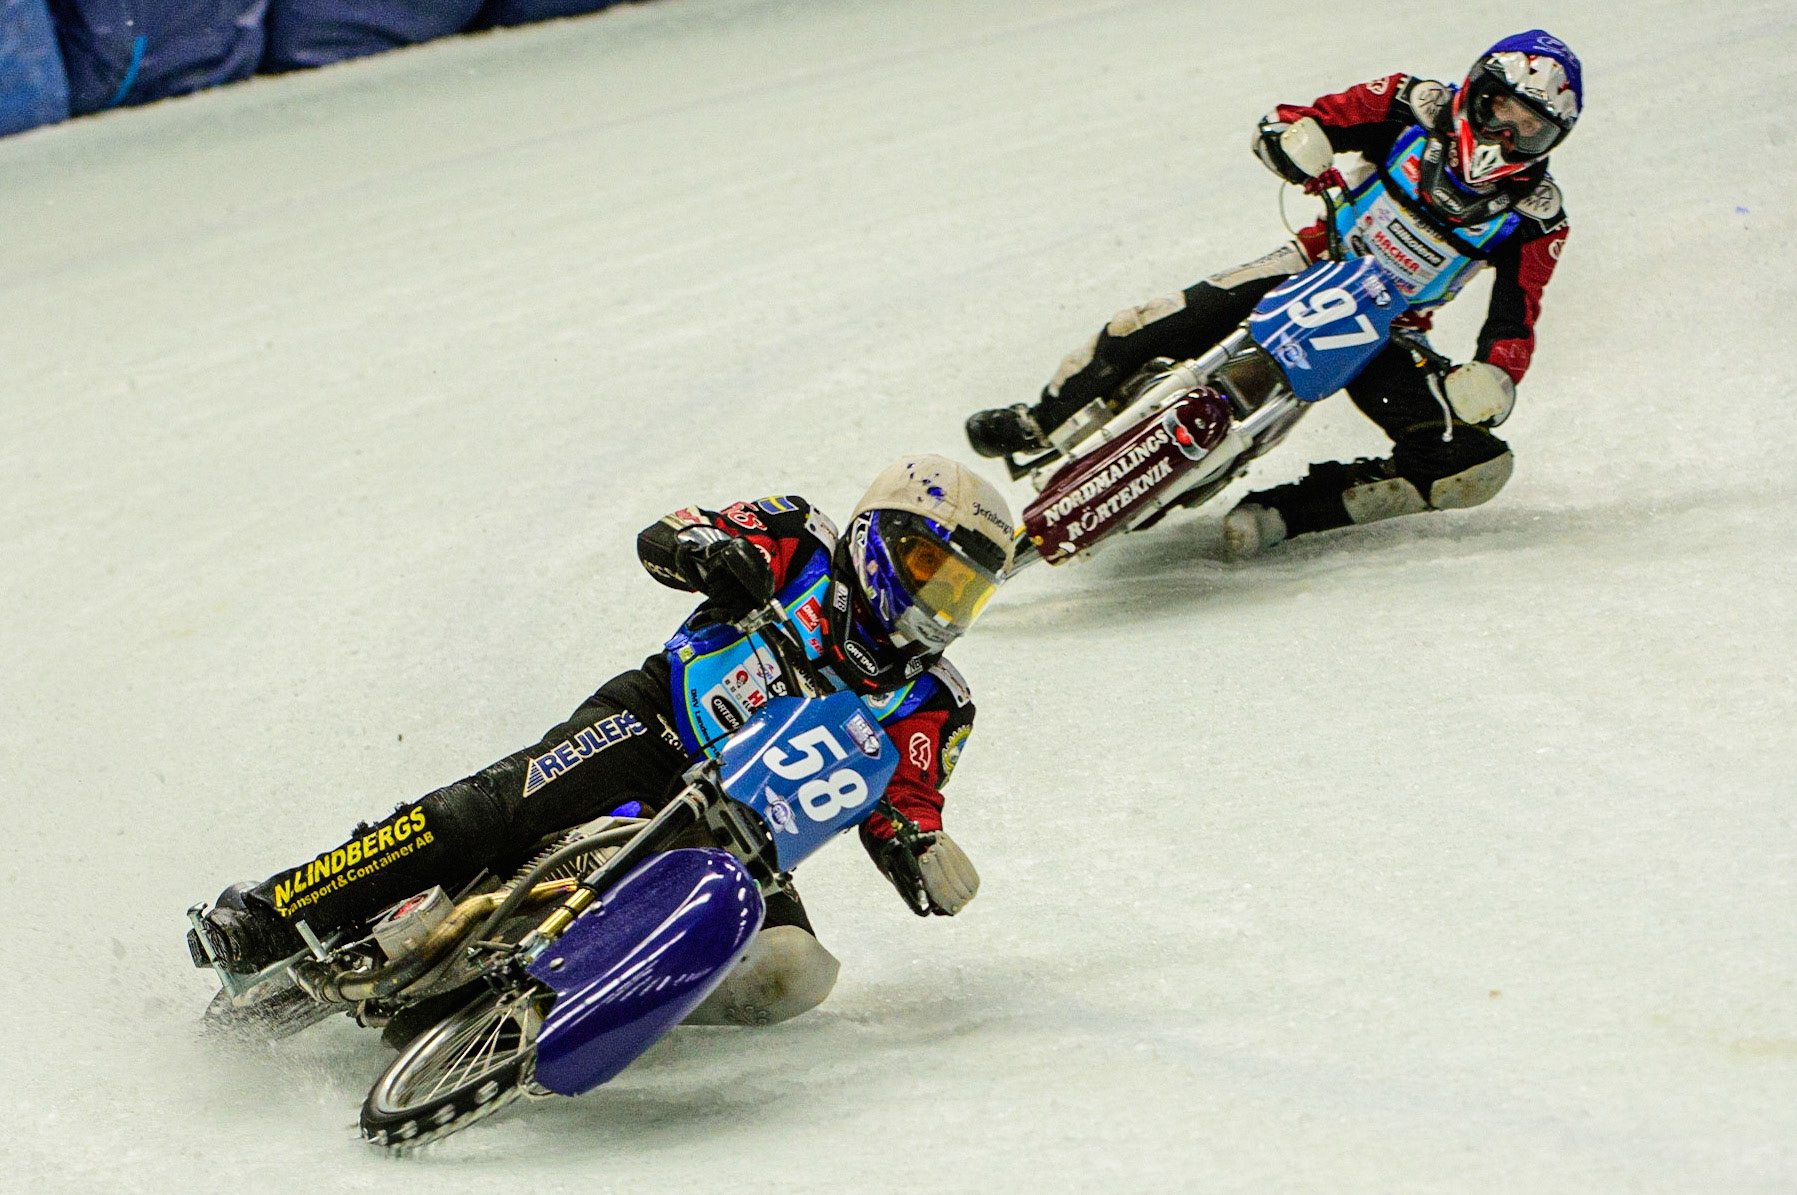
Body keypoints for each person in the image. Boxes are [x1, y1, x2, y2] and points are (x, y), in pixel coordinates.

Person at [189, 455, 1015, 1026]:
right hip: (650, 729)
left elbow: (904, 797)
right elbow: (672, 532)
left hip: (749, 835)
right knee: (477, 816)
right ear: (875, 536)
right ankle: (269, 912)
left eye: (962, 591)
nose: (937, 603)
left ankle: (576, 1015)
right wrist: (710, 551)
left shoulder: (935, 699)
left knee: (790, 969)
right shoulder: (801, 535)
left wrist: (921, 849)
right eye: (926, 567)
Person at [966, 31, 1581, 557]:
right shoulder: (1409, 103)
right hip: (1310, 261)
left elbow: (1516, 319)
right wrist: (1294, 142)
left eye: (1530, 130)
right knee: (1147, 324)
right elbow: (1299, 119)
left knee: (1471, 466)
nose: (1506, 135)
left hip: (1386, 328)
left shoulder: (1537, 217)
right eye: (1502, 110)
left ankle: (1289, 513)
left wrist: (1494, 377)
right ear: (1476, 91)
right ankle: (1041, 422)